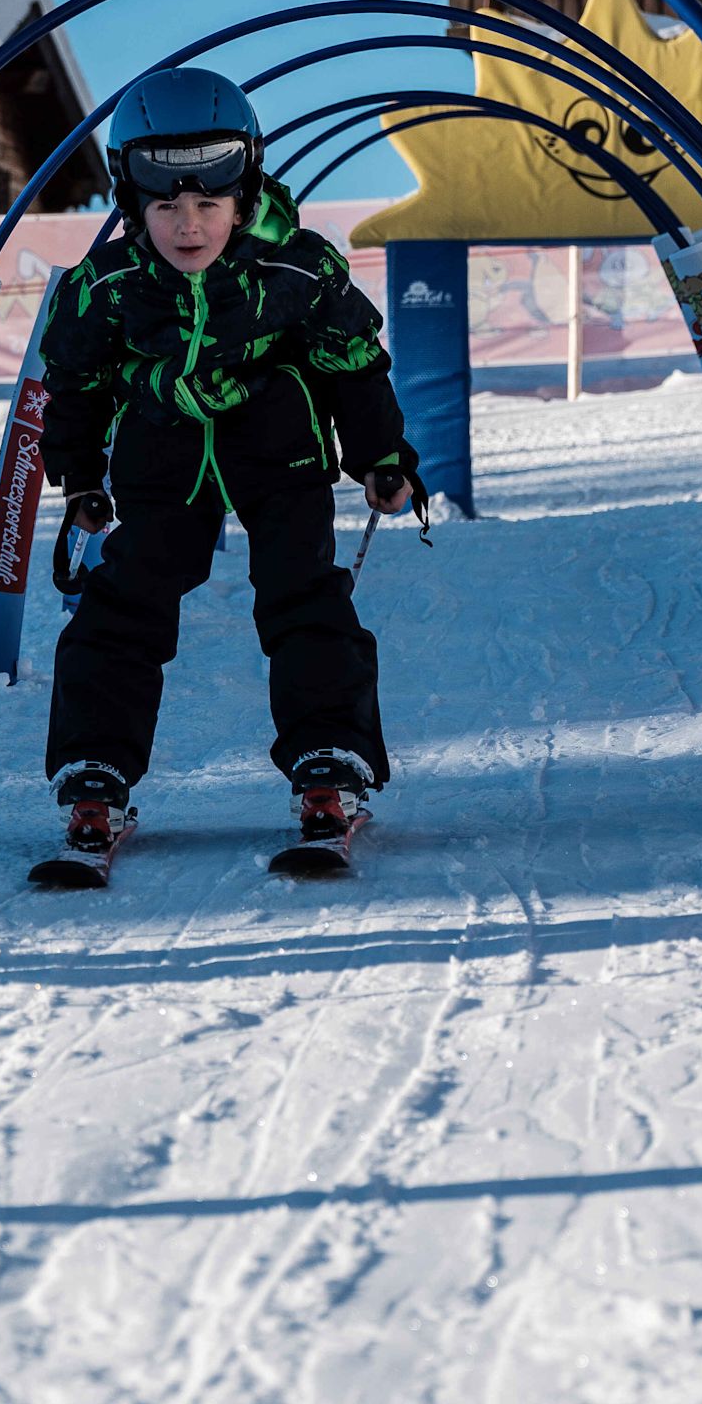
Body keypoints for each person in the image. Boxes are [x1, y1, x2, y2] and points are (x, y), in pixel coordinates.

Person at [37, 69, 418, 870]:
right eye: (167, 207)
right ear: (131, 200)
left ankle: (330, 763)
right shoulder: (107, 286)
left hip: (279, 447)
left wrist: (380, 456)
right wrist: (77, 473)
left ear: (244, 193)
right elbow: (76, 378)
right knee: (124, 603)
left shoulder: (299, 268)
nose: (188, 226)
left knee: (303, 595)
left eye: (208, 205)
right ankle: (95, 768)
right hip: (161, 453)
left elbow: (352, 362)